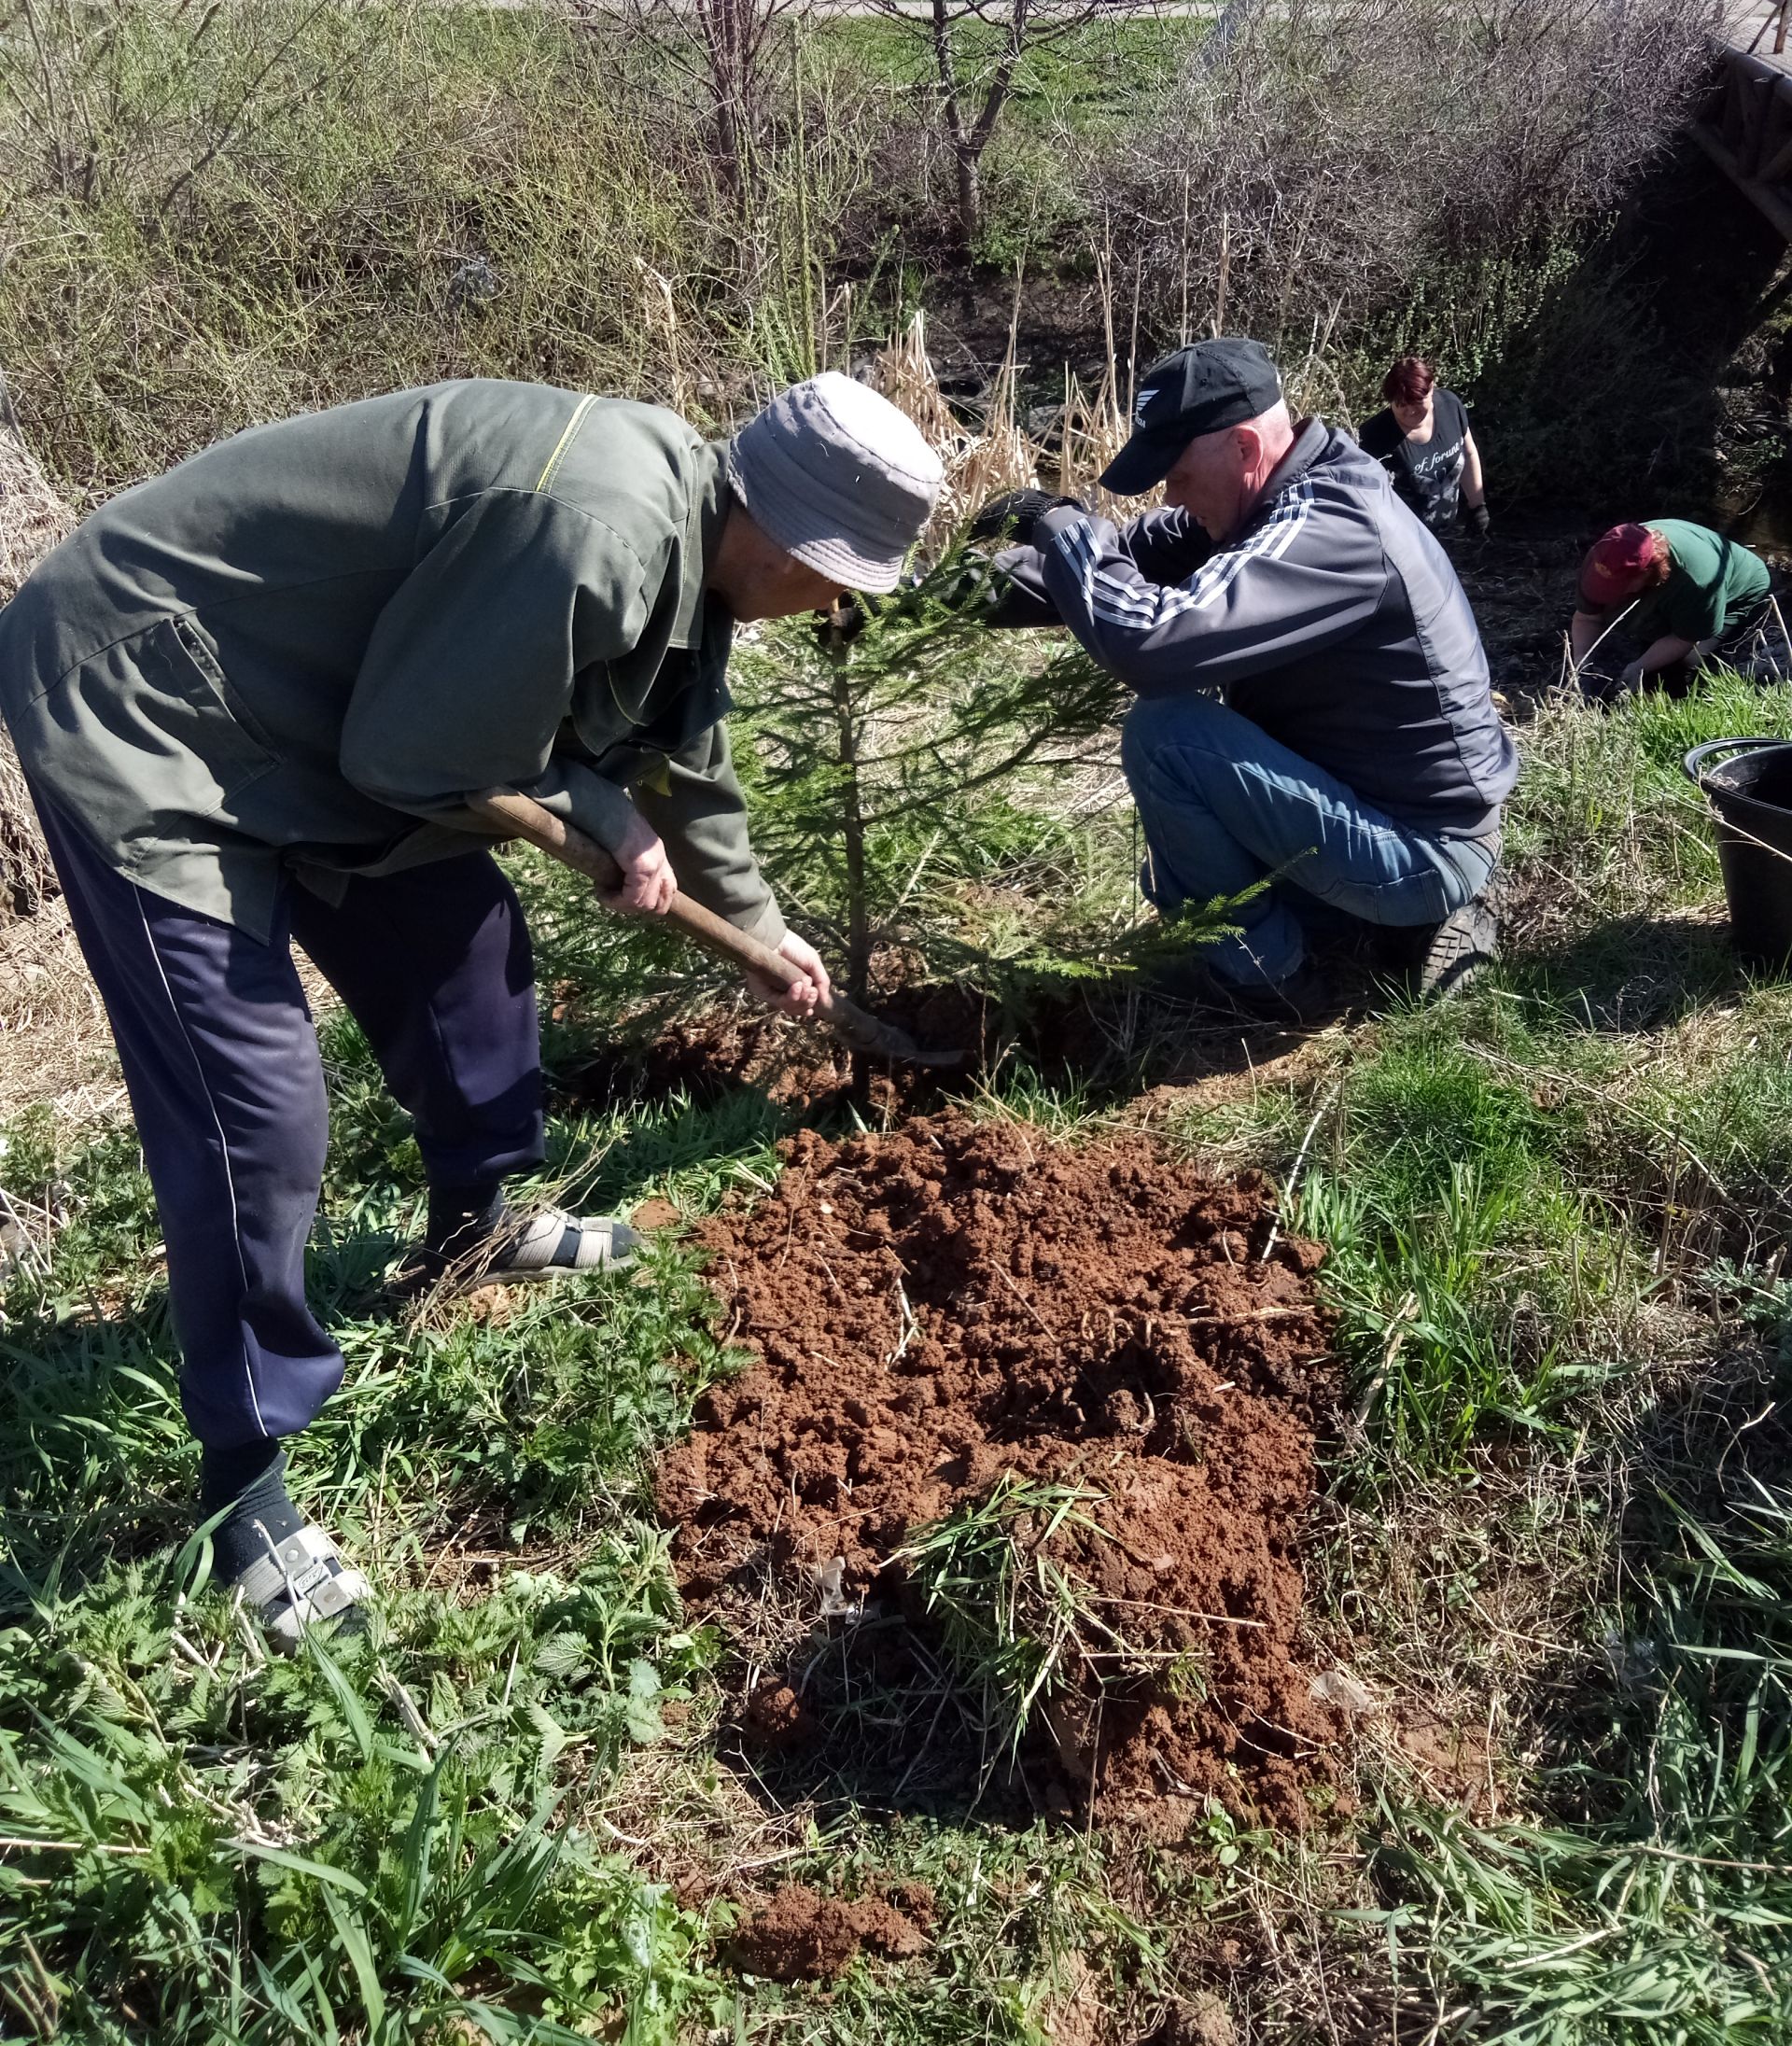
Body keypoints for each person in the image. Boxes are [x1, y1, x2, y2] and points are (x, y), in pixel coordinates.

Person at [0, 373, 941, 1647]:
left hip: (323, 717)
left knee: (472, 962)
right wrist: (597, 816)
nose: (837, 608)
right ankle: (245, 1487)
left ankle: (474, 1230)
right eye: (841, 582)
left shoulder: (699, 553)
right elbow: (411, 758)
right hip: (153, 708)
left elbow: (687, 759)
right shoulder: (598, 528)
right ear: (783, 540)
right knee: (254, 1115)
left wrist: (761, 935)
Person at [984, 339, 1517, 1017]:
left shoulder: (1332, 526)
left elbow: (1147, 642)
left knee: (1168, 733)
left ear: (1240, 446)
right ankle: (1368, 926)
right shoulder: (1273, 499)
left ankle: (1268, 977)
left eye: (1175, 472)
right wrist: (906, 596)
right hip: (1375, 808)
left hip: (1422, 844)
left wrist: (1062, 528)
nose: (1169, 493)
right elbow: (1124, 555)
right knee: (1175, 873)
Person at [1571, 521, 1784, 697]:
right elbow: (1587, 617)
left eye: (1619, 586)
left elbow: (1685, 639)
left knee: (1685, 663)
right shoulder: (1605, 557)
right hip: (1676, 583)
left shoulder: (1698, 581)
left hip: (1739, 591)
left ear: (1649, 571)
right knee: (1646, 628)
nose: (1608, 590)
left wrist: (1639, 668)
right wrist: (1582, 663)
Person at [1358, 354, 1490, 540]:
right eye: (1401, 405)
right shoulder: (1374, 435)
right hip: (1403, 541)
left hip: (1445, 532)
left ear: (1431, 389)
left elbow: (1468, 453)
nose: (1410, 411)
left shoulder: (1450, 406)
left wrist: (1478, 507)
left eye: (1417, 403)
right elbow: (1362, 495)